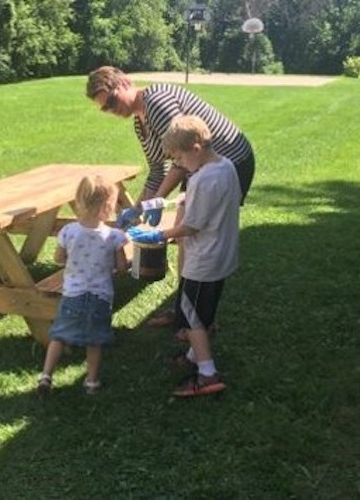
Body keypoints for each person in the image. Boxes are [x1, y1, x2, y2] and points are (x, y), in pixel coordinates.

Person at [86, 66, 254, 326]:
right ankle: (186, 312)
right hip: (196, 167)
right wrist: (137, 209)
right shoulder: (140, 125)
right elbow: (158, 169)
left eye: (112, 100)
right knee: (186, 236)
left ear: (125, 82)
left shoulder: (156, 102)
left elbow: (181, 154)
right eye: (105, 108)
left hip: (226, 163)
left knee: (199, 236)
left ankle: (196, 316)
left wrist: (156, 201)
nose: (111, 109)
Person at [128, 115, 240, 397]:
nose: (179, 164)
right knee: (204, 311)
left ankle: (207, 374)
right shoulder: (225, 166)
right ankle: (193, 356)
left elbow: (191, 226)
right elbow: (213, 202)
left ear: (196, 147)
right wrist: (169, 200)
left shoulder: (202, 179)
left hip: (203, 260)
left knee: (192, 318)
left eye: (179, 158)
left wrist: (159, 235)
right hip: (223, 254)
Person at [37, 175, 128, 396]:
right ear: (108, 206)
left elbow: (59, 258)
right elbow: (122, 267)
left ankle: (46, 375)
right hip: (100, 296)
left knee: (59, 335)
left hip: (72, 295)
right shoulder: (114, 236)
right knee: (94, 340)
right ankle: (91, 382)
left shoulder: (68, 231)